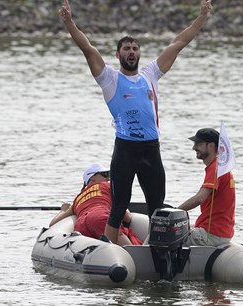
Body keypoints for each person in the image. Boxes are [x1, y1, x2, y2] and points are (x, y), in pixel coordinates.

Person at [58, 0, 214, 244]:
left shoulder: (150, 74)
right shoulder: (109, 79)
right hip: (125, 150)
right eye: (126, 49)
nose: (131, 52)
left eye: (135, 48)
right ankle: (111, 251)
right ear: (118, 54)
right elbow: (88, 48)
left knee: (156, 207)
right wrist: (69, 22)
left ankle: (158, 253)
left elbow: (178, 43)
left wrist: (202, 17)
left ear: (139, 53)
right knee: (119, 206)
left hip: (151, 150)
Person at [49, 164, 142, 246]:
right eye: (105, 174)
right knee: (130, 252)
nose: (108, 178)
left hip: (81, 226)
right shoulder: (108, 186)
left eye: (109, 174)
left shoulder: (77, 199)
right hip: (100, 216)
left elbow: (52, 224)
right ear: (91, 179)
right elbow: (127, 217)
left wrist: (63, 210)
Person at [177, 128, 236, 247]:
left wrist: (175, 212)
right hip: (221, 232)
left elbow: (199, 198)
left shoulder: (215, 168)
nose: (194, 148)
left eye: (198, 144)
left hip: (211, 234)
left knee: (162, 232)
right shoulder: (220, 166)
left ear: (211, 146)